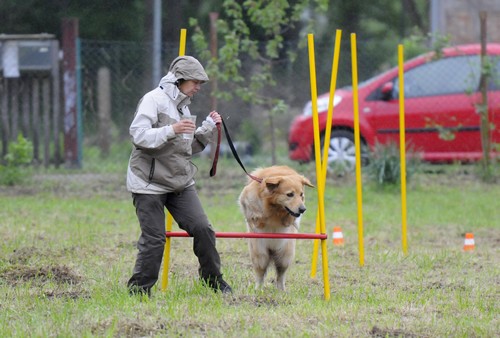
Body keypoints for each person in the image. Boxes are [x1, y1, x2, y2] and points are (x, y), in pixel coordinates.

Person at [126, 55, 232, 296]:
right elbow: (138, 136)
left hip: (179, 182)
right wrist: (171, 129)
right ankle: (139, 291)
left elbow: (184, 148)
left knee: (203, 229)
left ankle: (212, 280)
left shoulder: (183, 106)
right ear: (179, 79)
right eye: (195, 82)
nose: (198, 88)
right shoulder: (153, 100)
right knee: (154, 240)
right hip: (148, 183)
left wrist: (206, 129)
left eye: (200, 84)